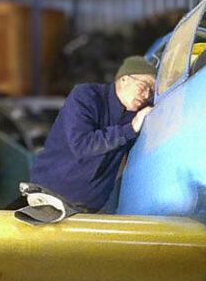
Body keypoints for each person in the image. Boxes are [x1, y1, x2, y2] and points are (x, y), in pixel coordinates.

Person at [28, 56, 157, 212]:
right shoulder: (86, 96)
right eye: (144, 86)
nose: (145, 95)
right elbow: (82, 144)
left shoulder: (140, 113)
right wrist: (130, 129)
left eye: (151, 92)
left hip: (88, 208)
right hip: (49, 196)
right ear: (124, 79)